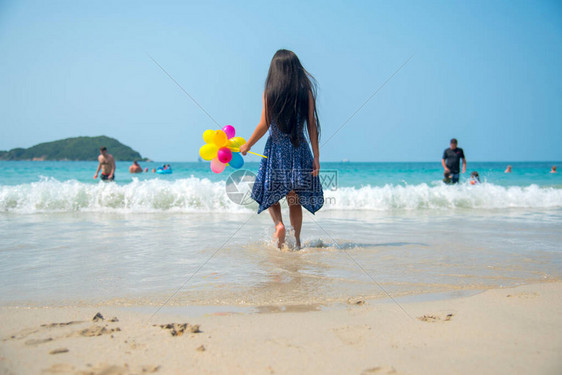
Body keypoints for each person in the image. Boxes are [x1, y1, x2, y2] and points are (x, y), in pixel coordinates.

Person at [240, 49, 323, 249]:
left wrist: (248, 144)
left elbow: (264, 124)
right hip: (299, 149)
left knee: (268, 192)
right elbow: (312, 126)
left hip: (276, 150)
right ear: (296, 69)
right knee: (294, 197)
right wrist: (316, 158)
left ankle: (279, 225)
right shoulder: (306, 92)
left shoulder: (270, 93)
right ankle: (297, 240)